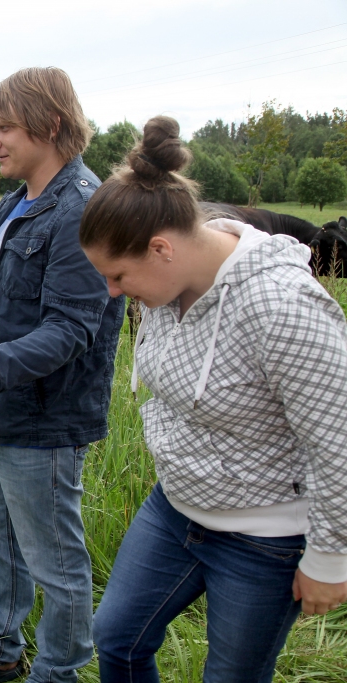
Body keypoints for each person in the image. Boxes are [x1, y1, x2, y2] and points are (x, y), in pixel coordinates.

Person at [81, 116, 347, 683]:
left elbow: (337, 442)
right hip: (175, 509)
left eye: (118, 275)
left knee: (230, 676)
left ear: (161, 248)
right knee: (116, 637)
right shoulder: (165, 287)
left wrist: (329, 558)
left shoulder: (283, 308)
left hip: (265, 538)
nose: (112, 292)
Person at [0, 67, 125, 683]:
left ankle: (58, 671)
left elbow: (72, 328)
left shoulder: (82, 211)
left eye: (2, 128)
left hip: (44, 418)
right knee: (1, 538)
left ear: (48, 125)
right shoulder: (16, 206)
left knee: (54, 557)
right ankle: (0, 649)